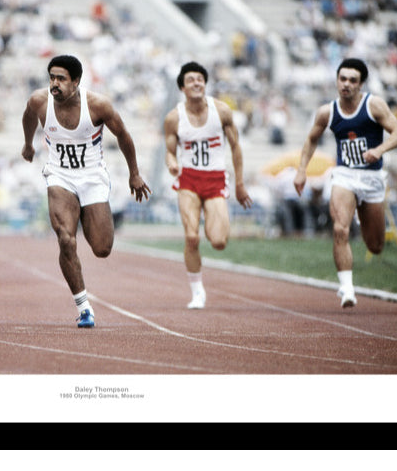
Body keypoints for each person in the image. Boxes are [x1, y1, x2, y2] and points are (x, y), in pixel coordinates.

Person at [21, 55, 151, 328]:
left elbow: (123, 135)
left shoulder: (98, 105)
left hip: (92, 177)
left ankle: (84, 213)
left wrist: (135, 173)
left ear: (76, 82)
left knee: (102, 248)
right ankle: (84, 308)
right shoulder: (40, 101)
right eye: (51, 78)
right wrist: (28, 144)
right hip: (60, 175)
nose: (54, 84)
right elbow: (28, 117)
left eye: (61, 79)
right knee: (66, 238)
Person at [293, 58, 397, 308]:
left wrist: (379, 150)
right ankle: (347, 288)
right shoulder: (327, 112)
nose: (346, 84)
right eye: (343, 79)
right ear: (336, 81)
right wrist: (301, 171)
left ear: (361, 84)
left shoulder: (373, 105)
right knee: (340, 228)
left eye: (353, 80)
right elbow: (311, 139)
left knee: (375, 245)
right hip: (344, 175)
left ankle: (364, 216)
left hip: (372, 178)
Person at [164, 61, 253, 309]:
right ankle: (197, 292)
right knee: (191, 237)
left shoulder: (221, 111)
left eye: (200, 79)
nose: (196, 83)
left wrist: (240, 184)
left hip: (215, 179)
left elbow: (235, 147)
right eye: (191, 80)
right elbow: (169, 151)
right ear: (182, 87)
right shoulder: (174, 118)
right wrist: (172, 163)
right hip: (188, 180)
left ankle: (212, 220)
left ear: (205, 83)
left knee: (219, 241)